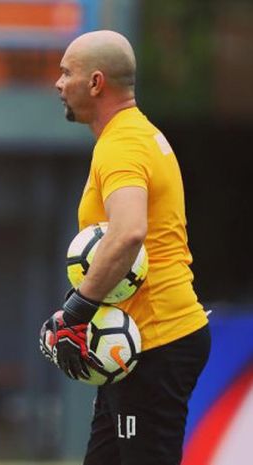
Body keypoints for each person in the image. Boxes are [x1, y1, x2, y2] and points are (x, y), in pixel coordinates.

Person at [39, 30, 210, 465]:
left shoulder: (122, 144)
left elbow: (128, 231)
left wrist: (77, 311)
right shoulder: (132, 135)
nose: (58, 84)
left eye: (66, 73)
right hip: (138, 345)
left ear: (96, 83)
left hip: (157, 339)